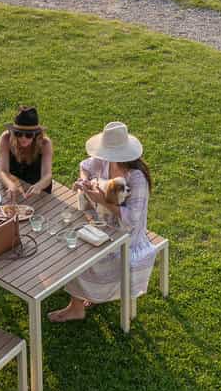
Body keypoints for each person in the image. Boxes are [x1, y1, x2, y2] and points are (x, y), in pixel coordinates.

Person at [48, 121, 158, 324]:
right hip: (100, 223)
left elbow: (132, 219)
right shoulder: (105, 162)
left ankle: (77, 307)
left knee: (77, 254)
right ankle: (84, 299)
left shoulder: (137, 179)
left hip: (126, 236)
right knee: (67, 241)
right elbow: (84, 166)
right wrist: (85, 181)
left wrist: (101, 201)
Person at [0, 105, 54, 199]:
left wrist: (39, 186)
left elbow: (47, 175)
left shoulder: (45, 143)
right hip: (14, 182)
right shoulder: (6, 138)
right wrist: (10, 185)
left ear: (36, 134)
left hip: (36, 186)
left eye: (28, 135)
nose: (23, 138)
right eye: (18, 133)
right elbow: (2, 170)